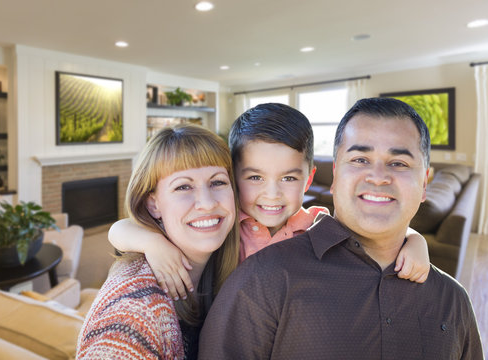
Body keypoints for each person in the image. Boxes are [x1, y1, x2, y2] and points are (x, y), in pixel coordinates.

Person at [198, 98, 483, 359]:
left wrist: (414, 238)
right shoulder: (260, 276)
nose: (378, 177)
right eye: (360, 159)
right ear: (335, 175)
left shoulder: (453, 301)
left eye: (398, 163)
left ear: (424, 183)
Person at [108, 103, 430, 301]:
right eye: (255, 178)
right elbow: (120, 230)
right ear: (233, 177)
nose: (272, 195)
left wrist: (415, 241)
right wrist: (154, 244)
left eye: (289, 179)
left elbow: (371, 236)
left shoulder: (319, 224)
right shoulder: (223, 226)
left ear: (308, 178)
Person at [76, 124, 239, 359]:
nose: (207, 202)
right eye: (183, 186)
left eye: (217, 182)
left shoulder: (234, 259)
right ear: (154, 204)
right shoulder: (134, 310)